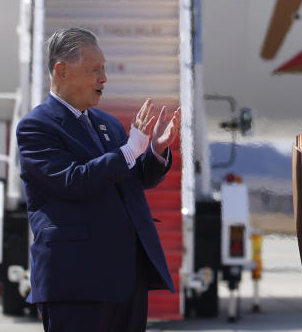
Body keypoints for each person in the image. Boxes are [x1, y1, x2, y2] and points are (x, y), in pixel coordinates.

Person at [16, 28, 181, 331]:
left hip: (126, 277)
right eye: (94, 70)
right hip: (77, 281)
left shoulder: (106, 123)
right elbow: (72, 181)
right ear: (61, 71)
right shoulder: (36, 127)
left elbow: (131, 179)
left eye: (104, 69)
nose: (103, 78)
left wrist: (154, 150)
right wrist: (131, 149)